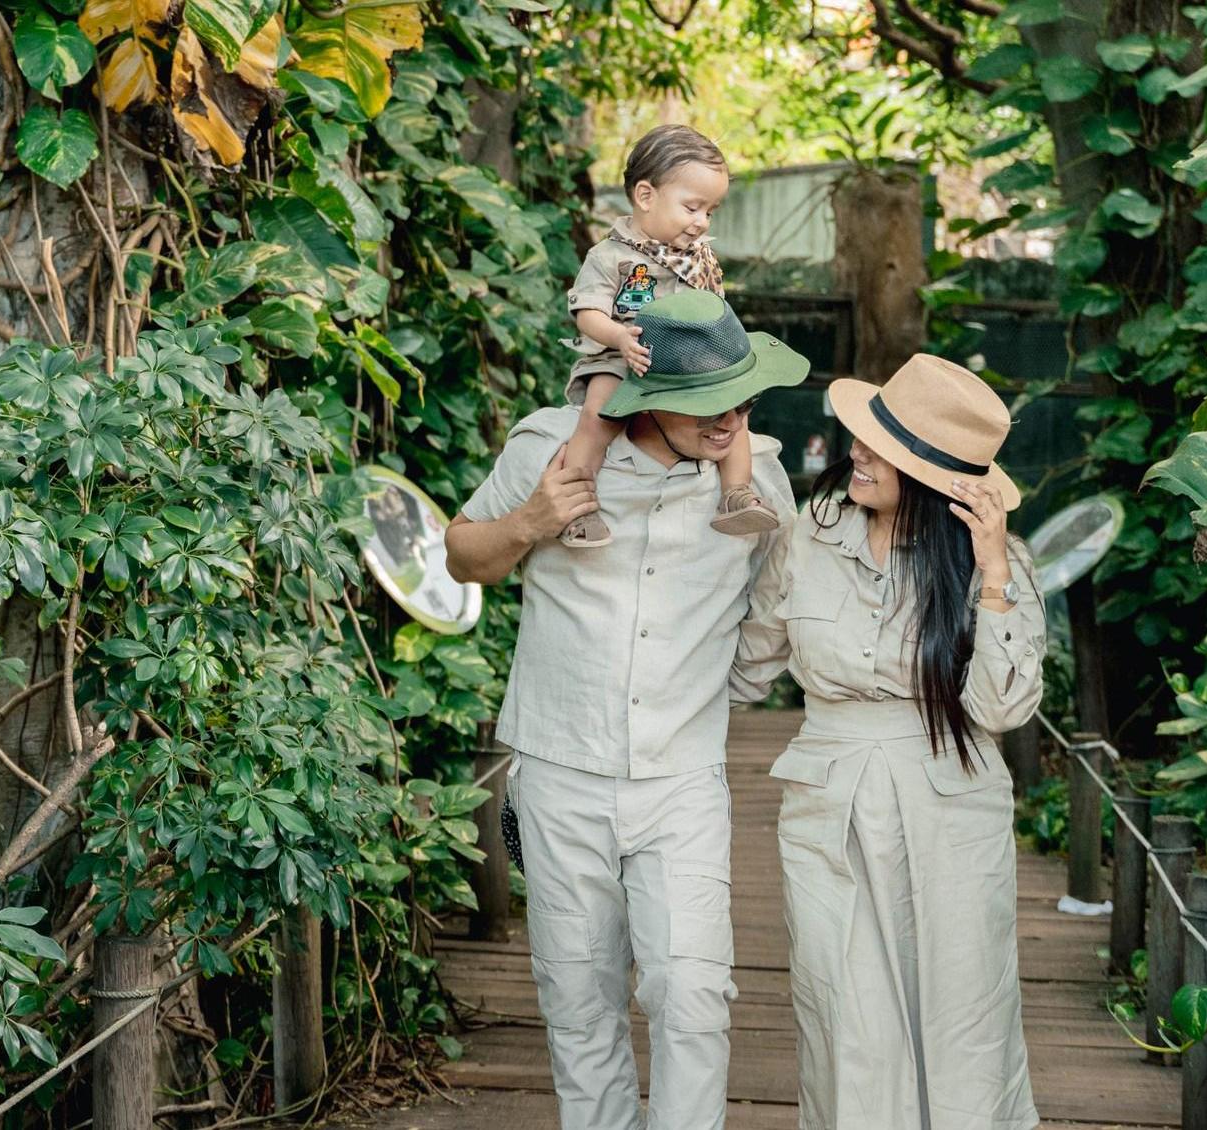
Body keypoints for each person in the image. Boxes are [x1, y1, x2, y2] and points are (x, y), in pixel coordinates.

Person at [445, 290, 806, 1130]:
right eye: (708, 405)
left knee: (692, 990)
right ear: (649, 394)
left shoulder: (763, 485)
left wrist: (725, 693)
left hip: (682, 777)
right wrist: (532, 520)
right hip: (558, 769)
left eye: (742, 401)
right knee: (578, 996)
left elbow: (776, 612)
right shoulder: (550, 446)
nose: (730, 422)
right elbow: (463, 556)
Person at [731, 354, 1047, 1130]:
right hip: (829, 803)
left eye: (880, 446)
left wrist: (996, 571)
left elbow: (1003, 709)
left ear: (932, 475)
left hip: (952, 806)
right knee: (845, 1013)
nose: (855, 453)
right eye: (863, 437)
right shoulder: (809, 536)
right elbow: (744, 664)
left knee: (962, 1015)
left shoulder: (987, 560)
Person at [557, 124, 776, 548]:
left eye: (710, 212)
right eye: (693, 207)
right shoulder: (611, 256)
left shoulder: (699, 260)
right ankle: (579, 506)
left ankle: (737, 495)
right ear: (645, 196)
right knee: (597, 415)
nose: (701, 222)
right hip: (623, 355)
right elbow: (587, 313)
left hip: (691, 364)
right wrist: (620, 338)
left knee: (734, 416)